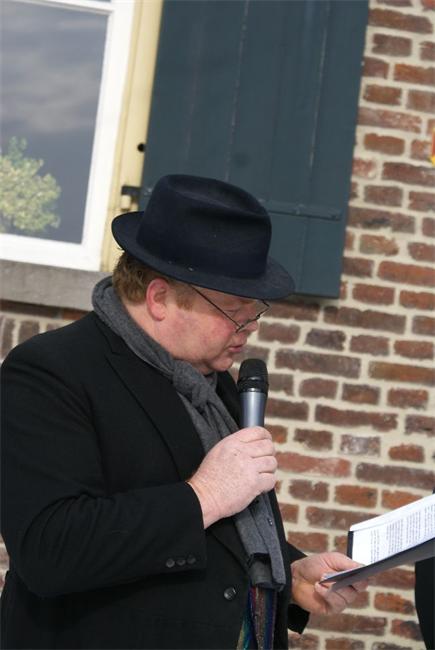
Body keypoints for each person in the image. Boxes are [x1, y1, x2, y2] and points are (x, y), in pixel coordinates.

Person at [1, 175, 367, 650]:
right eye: (234, 311)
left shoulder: (214, 382)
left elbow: (222, 538)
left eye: (255, 311)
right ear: (160, 298)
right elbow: (50, 550)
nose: (249, 328)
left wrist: (291, 573)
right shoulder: (52, 371)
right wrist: (205, 494)